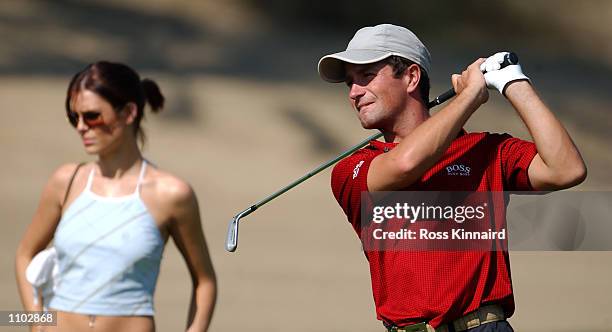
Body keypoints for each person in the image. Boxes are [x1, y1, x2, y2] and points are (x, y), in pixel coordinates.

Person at [318, 24, 586, 331]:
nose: (354, 93)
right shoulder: (353, 168)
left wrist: (513, 81)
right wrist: (470, 96)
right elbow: (406, 164)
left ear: (411, 77)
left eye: (366, 76)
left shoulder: (484, 150)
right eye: (350, 83)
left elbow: (567, 169)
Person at [15, 61, 217, 332]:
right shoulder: (66, 181)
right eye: (74, 118)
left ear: (129, 113)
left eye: (92, 116)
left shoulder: (171, 194)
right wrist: (36, 324)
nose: (81, 127)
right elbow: (24, 254)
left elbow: (204, 281)